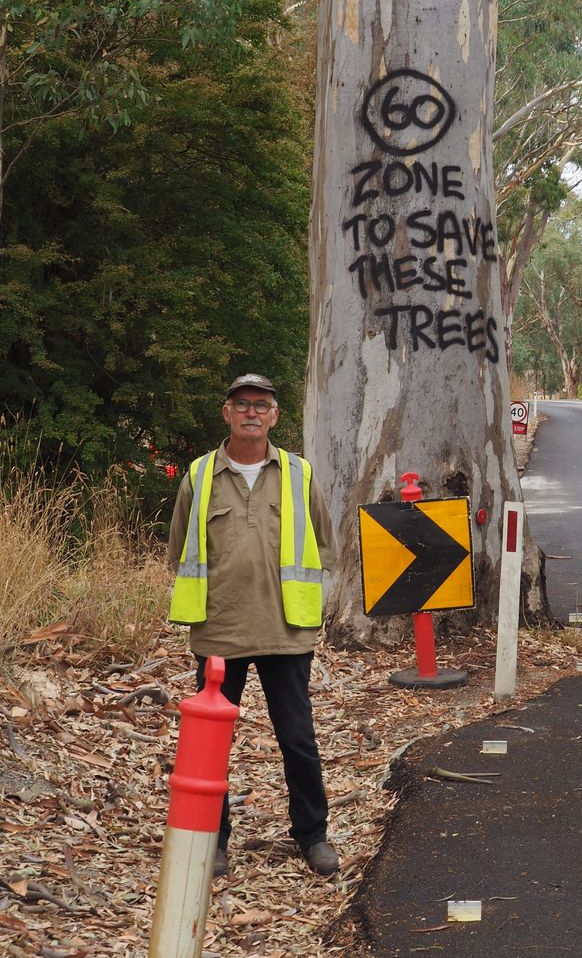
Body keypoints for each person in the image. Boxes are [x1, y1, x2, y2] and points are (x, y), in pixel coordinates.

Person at [167, 373, 338, 879]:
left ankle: (312, 836)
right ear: (226, 412)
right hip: (219, 633)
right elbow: (180, 549)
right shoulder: (198, 476)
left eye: (261, 405)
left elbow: (323, 545)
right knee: (212, 744)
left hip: (286, 632)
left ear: (274, 416)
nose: (251, 413)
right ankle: (213, 840)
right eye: (241, 404)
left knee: (298, 739)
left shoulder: (299, 474)